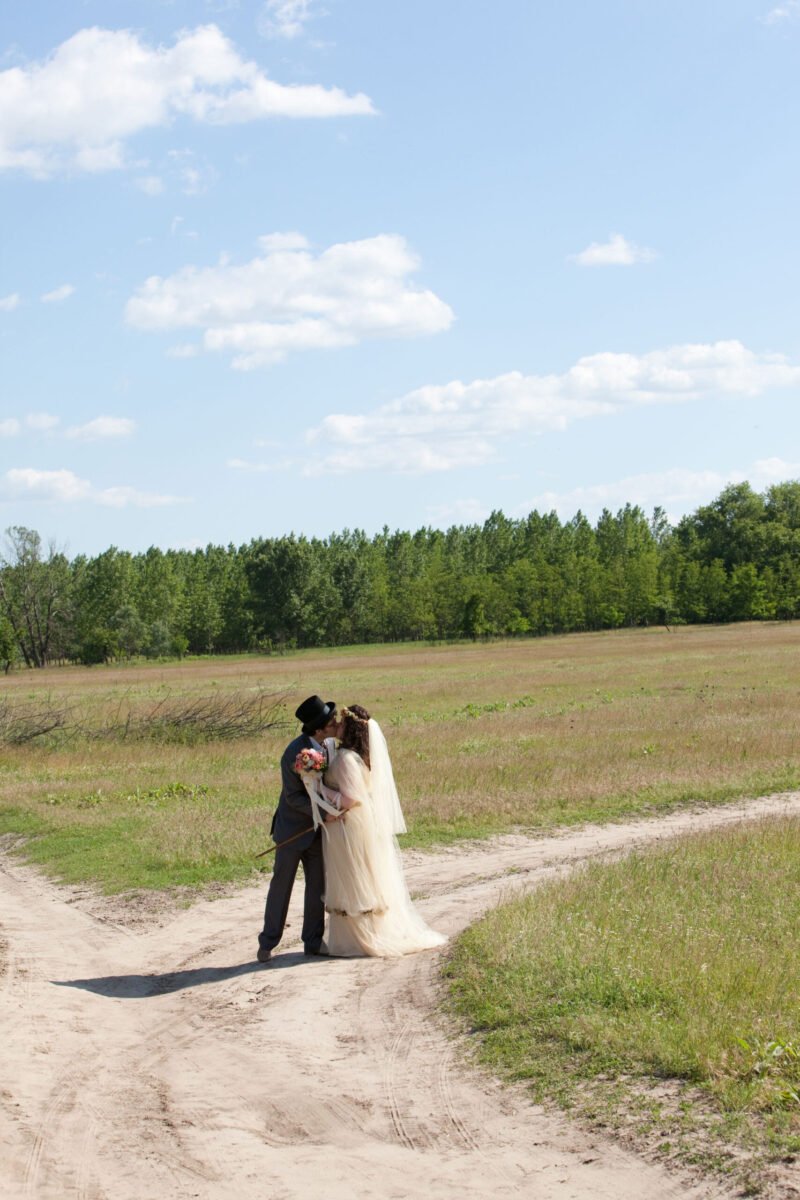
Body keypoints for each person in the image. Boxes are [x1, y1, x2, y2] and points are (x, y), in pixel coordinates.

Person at [304, 704, 446, 958]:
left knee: (353, 880)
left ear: (351, 729)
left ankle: (359, 939)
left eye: (343, 721)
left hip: (348, 829)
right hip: (346, 827)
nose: (337, 724)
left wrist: (316, 787)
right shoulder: (351, 754)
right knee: (353, 879)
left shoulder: (347, 759)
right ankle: (354, 937)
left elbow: (349, 800)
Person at [256, 694, 338, 963]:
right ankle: (267, 943)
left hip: (316, 833)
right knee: (282, 887)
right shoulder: (294, 753)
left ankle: (313, 942)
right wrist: (324, 813)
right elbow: (293, 798)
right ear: (318, 729)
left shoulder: (327, 746)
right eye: (330, 722)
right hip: (291, 831)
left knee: (317, 887)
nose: (335, 725)